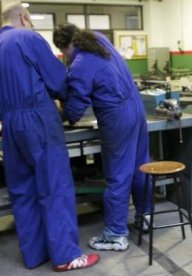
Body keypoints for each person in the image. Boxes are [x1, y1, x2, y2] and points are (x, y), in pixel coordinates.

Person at [0, 4, 99, 272]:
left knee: (23, 190)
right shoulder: (28, 37)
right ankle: (66, 256)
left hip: (8, 125)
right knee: (54, 186)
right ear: (23, 17)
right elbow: (57, 80)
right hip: (37, 120)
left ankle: (33, 255)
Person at [53, 24, 151, 251]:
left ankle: (116, 234)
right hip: (136, 108)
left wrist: (59, 108)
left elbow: (75, 111)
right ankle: (145, 216)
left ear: (65, 47)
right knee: (140, 166)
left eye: (63, 52)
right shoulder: (97, 40)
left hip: (117, 117)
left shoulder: (79, 64)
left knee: (117, 175)